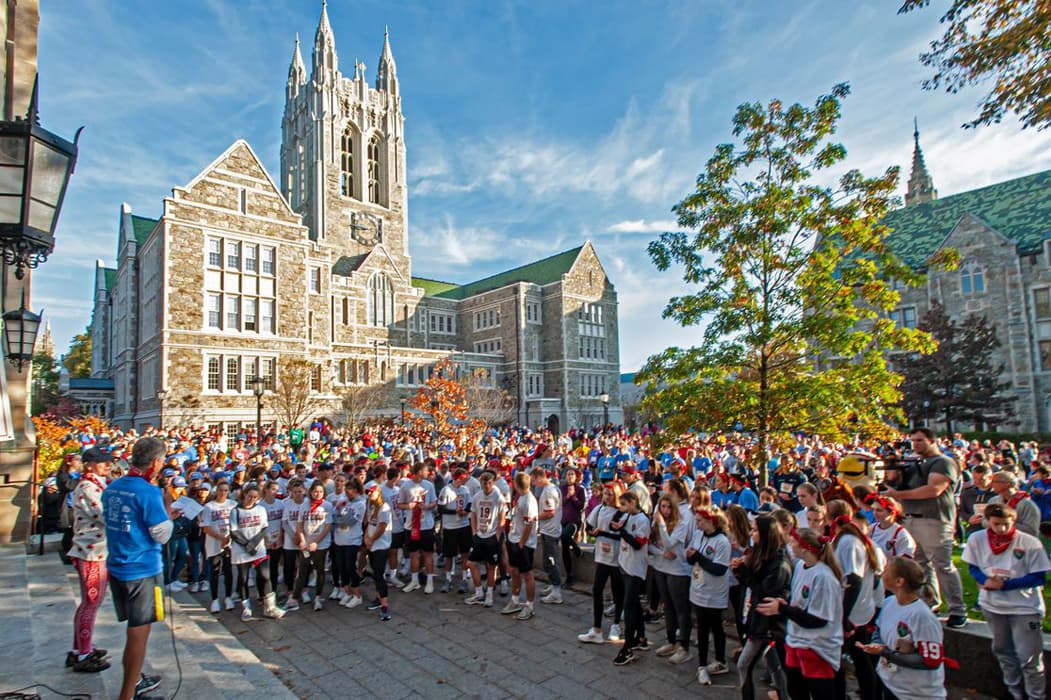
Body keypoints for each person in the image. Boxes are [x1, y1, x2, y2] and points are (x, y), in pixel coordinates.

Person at [101, 437, 172, 700]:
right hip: (142, 570)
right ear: (155, 462)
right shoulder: (147, 491)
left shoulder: (113, 487)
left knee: (134, 630)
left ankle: (134, 679)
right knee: (139, 632)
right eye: (162, 461)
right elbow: (161, 534)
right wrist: (167, 508)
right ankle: (128, 693)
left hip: (118, 565)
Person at [962, 503, 1050, 700]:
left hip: (1024, 607)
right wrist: (985, 581)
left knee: (1029, 657)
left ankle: (1036, 696)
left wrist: (1006, 585)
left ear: (1013, 521)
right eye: (996, 524)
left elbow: (1038, 577)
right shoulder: (977, 539)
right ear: (988, 521)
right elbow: (973, 567)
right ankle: (1014, 692)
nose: (1001, 528)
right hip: (993, 605)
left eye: (1006, 524)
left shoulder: (1029, 542)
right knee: (1002, 650)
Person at [882, 427, 967, 628]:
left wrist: (898, 495)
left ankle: (957, 609)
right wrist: (893, 464)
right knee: (920, 564)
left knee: (943, 565)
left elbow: (934, 489)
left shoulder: (943, 462)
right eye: (913, 441)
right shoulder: (914, 463)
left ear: (932, 440)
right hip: (911, 518)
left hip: (934, 519)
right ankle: (929, 602)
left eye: (920, 440)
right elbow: (892, 482)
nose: (915, 444)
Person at [757, 527, 844, 700]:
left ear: (804, 547)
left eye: (794, 542)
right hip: (796, 642)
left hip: (817, 648)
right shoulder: (800, 567)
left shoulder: (824, 577)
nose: (790, 544)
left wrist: (783, 609)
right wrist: (785, 605)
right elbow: (801, 604)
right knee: (796, 691)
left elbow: (818, 620)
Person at [858, 556, 951, 700]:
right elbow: (879, 629)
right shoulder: (889, 602)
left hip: (916, 693)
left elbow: (930, 661)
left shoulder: (922, 617)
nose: (882, 573)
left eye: (887, 570)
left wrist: (887, 653)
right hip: (892, 684)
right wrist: (877, 645)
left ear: (899, 581)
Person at [734, 514, 792, 700]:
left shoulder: (779, 564)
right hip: (756, 618)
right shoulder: (761, 554)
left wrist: (744, 572)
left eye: (756, 530)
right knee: (775, 665)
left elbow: (764, 590)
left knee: (744, 665)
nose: (752, 533)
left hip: (766, 624)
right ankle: (784, 695)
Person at [66, 447, 112, 673]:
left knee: (90, 603)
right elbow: (104, 515)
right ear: (89, 464)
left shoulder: (97, 484)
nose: (107, 465)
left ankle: (80, 648)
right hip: (91, 552)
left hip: (99, 550)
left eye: (108, 461)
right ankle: (83, 653)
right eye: (102, 461)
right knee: (91, 603)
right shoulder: (87, 487)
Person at [686, 507, 732, 685]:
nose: (696, 524)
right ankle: (702, 664)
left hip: (713, 592)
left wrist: (697, 556)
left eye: (699, 521)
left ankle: (720, 660)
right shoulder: (699, 536)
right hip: (698, 588)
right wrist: (692, 556)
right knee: (702, 628)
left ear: (711, 522)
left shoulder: (722, 542)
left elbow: (719, 569)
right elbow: (691, 559)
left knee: (714, 626)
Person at [578, 482, 625, 644]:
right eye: (605, 494)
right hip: (602, 556)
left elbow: (621, 535)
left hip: (617, 557)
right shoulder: (599, 509)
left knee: (618, 591)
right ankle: (596, 628)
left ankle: (616, 625)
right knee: (597, 589)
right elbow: (589, 527)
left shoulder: (622, 513)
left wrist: (603, 533)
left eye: (610, 494)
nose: (606, 497)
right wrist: (592, 532)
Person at [228, 484, 284, 620]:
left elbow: (264, 528)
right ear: (244, 495)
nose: (251, 499)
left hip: (258, 549)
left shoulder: (260, 509)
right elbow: (234, 531)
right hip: (241, 550)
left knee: (265, 576)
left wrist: (254, 544)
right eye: (249, 496)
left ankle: (269, 607)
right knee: (243, 579)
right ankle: (246, 607)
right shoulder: (235, 511)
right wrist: (247, 545)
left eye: (254, 497)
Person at [650, 494, 692, 665]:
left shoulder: (680, 524)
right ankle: (671, 641)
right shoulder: (656, 523)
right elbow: (651, 545)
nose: (665, 511)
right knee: (667, 606)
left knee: (681, 608)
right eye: (663, 507)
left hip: (678, 570)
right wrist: (661, 553)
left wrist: (661, 524)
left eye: (668, 507)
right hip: (661, 567)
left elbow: (669, 544)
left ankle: (684, 646)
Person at [611, 490, 650, 666]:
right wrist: (619, 515)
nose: (623, 508)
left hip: (635, 568)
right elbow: (613, 526)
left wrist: (623, 531)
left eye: (625, 504)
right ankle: (641, 636)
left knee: (629, 606)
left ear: (634, 502)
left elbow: (637, 543)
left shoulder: (642, 520)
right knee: (633, 604)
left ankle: (627, 646)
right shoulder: (627, 517)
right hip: (624, 564)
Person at [288, 480, 333, 611]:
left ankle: (318, 597)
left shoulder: (327, 505)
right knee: (303, 570)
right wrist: (302, 540)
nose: (317, 494)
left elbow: (328, 526)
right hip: (306, 543)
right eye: (315, 491)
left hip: (321, 543)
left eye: (320, 492)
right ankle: (295, 597)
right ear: (310, 492)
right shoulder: (304, 505)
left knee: (320, 570)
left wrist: (316, 542)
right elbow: (300, 525)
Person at [465, 470, 507, 608]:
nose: (487, 485)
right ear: (481, 483)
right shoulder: (477, 496)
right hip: (480, 535)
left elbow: (502, 518)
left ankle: (489, 594)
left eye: (489, 483)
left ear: (493, 482)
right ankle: (478, 593)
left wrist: (497, 535)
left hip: (492, 535)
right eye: (484, 483)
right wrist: (474, 532)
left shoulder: (498, 497)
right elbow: (473, 515)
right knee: (471, 563)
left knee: (491, 567)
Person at [501, 471, 538, 621]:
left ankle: (529, 606)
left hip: (523, 543)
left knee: (527, 574)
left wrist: (522, 542)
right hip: (514, 539)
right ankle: (515, 601)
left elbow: (530, 524)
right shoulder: (521, 498)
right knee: (514, 570)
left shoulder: (529, 500)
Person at [201, 482, 236, 613]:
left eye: (226, 490)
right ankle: (214, 599)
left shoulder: (233, 505)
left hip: (229, 543)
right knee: (214, 571)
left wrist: (229, 538)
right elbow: (205, 527)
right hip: (214, 543)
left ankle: (228, 596)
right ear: (216, 491)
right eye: (221, 490)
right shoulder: (209, 507)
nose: (223, 493)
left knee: (228, 570)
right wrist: (221, 538)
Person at [532, 467, 565, 604]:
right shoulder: (553, 488)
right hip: (551, 529)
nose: (534, 484)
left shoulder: (549, 491)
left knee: (551, 560)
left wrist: (534, 517)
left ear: (539, 477)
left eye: (534, 480)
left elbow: (550, 512)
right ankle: (553, 584)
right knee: (549, 559)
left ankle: (556, 591)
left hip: (550, 530)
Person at [362, 484, 393, 621]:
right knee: (375, 573)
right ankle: (379, 597)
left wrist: (371, 539)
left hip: (381, 545)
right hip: (372, 545)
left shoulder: (384, 508)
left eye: (372, 492)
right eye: (368, 492)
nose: (369, 494)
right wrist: (366, 538)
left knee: (379, 575)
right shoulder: (370, 505)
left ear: (379, 492)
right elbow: (369, 523)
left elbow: (382, 527)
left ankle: (385, 607)